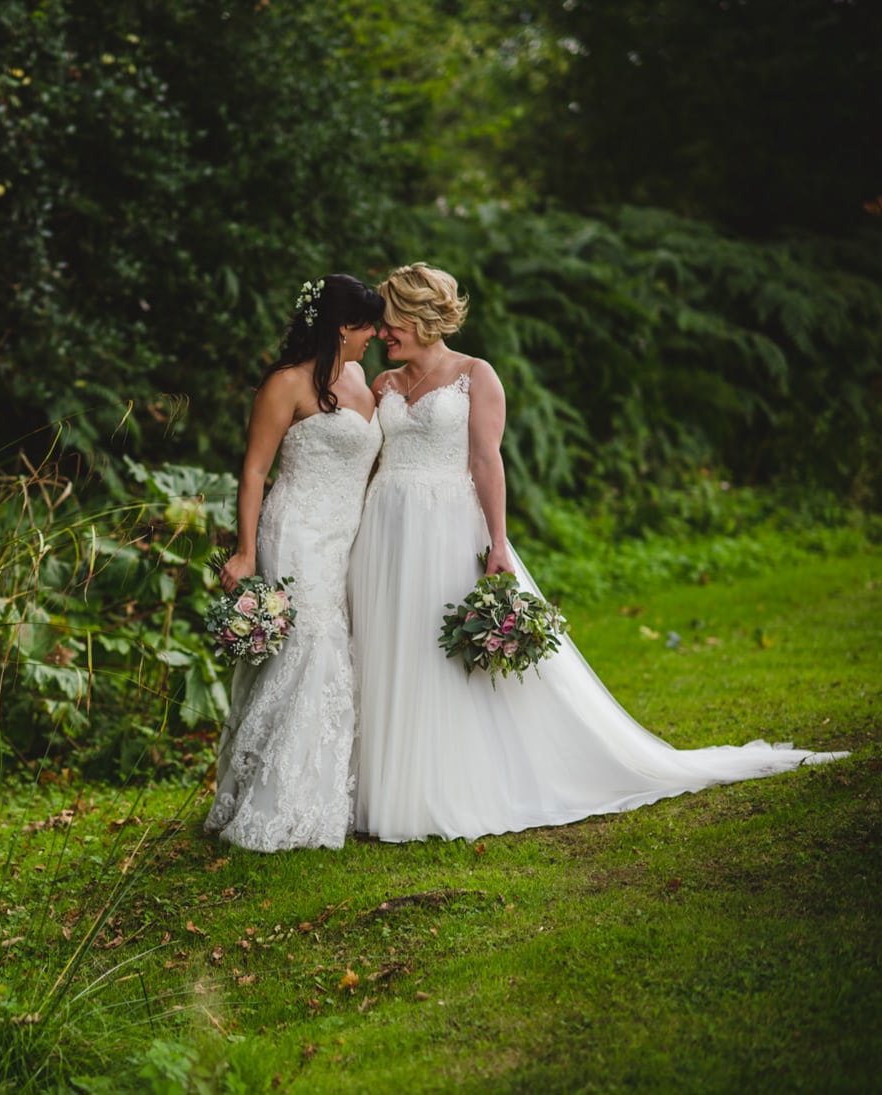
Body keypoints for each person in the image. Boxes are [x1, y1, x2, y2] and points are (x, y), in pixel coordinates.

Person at [347, 263, 847, 843]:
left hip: (446, 528)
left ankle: (442, 786)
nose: (384, 335)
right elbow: (369, 463)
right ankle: (388, 787)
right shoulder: (381, 385)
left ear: (422, 317)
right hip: (385, 532)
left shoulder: (475, 377)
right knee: (392, 648)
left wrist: (499, 543)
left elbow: (487, 461)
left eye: (391, 324)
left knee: (443, 660)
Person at [205, 274, 385, 851]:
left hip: (345, 536)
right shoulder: (285, 384)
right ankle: (279, 803)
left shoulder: (359, 377)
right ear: (341, 327)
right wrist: (245, 549)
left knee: (333, 655)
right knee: (313, 649)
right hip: (298, 533)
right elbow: (256, 470)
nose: (375, 336)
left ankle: (322, 789)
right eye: (367, 327)